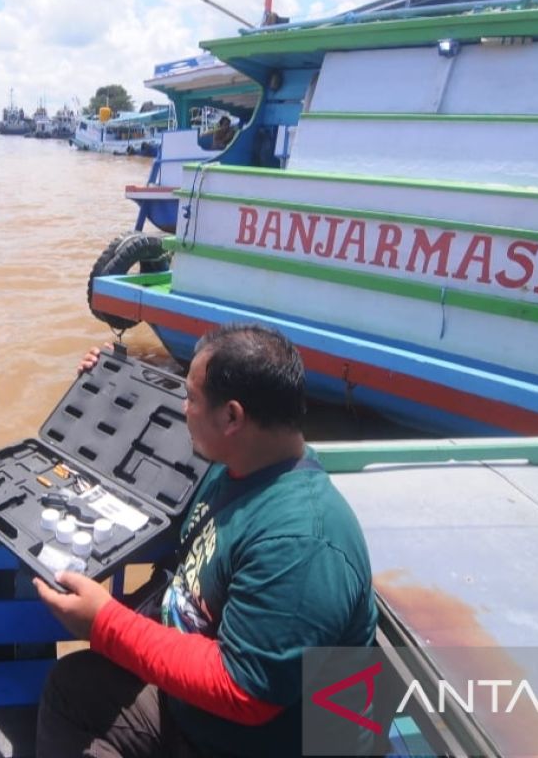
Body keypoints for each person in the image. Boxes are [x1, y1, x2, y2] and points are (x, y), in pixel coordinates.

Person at [33, 324, 376, 757]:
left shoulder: (302, 542)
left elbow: (245, 691)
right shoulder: (237, 462)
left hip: (256, 740)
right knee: (74, 687)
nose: (182, 407)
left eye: (191, 397)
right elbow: (139, 443)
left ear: (232, 417)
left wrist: (105, 625)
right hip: (195, 709)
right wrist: (103, 377)